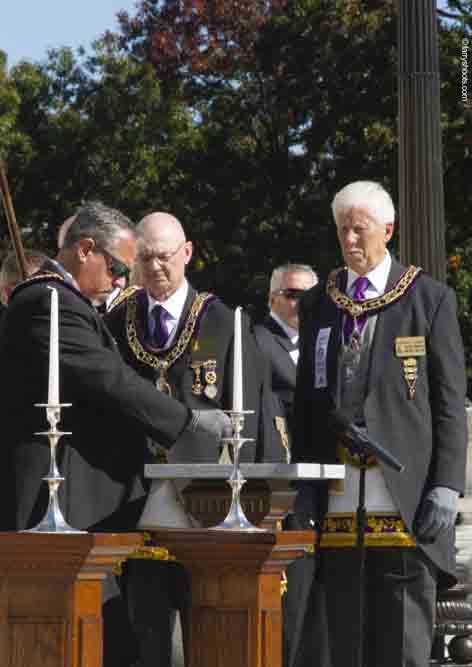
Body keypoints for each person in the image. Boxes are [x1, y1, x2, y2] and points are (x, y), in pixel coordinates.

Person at [0, 201, 231, 667]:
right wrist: (186, 421)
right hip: (51, 504)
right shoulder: (47, 303)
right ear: (86, 249)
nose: (123, 281)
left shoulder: (66, 303)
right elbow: (110, 380)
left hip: (80, 510)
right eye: (119, 267)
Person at [292, 181, 468, 667]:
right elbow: (306, 404)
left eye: (360, 229)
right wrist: (303, 488)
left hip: (407, 497)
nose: (350, 240)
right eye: (342, 230)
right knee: (344, 643)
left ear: (387, 230)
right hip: (338, 494)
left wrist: (447, 485)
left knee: (403, 645)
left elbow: (449, 403)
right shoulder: (320, 303)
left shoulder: (427, 298)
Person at [104, 211, 267, 667]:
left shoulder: (224, 321)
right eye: (145, 258)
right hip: (133, 500)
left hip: (205, 503)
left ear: (187, 253)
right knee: (145, 636)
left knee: (208, 636)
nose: (156, 267)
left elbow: (250, 419)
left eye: (165, 256)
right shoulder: (117, 322)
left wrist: (251, 501)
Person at [254, 263, 331, 667]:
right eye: (291, 294)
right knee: (293, 597)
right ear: (272, 298)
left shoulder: (324, 341)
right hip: (285, 482)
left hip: (326, 480)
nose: (300, 303)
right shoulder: (258, 342)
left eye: (309, 296)